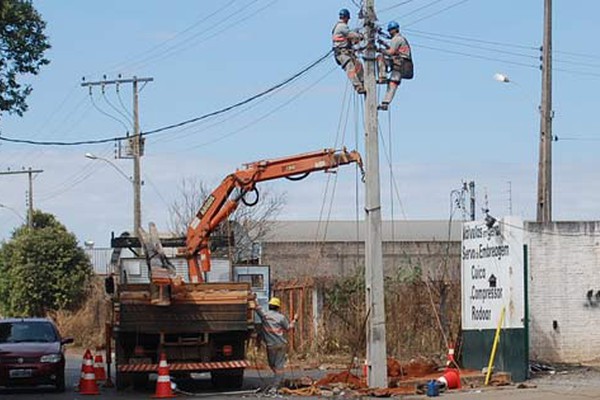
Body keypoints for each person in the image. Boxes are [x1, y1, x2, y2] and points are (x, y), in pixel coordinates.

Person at [254, 296, 298, 389]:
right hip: (281, 344)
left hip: (271, 346)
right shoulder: (281, 318)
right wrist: (295, 320)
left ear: (269, 306)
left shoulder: (265, 316)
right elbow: (289, 328)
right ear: (278, 307)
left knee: (274, 365)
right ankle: (279, 380)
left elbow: (257, 308)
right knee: (277, 366)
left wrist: (254, 299)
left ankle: (276, 386)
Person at [377, 21, 412, 111]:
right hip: (403, 65)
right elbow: (395, 50)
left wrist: (379, 49)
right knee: (393, 83)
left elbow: (391, 52)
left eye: (390, 31)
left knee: (380, 58)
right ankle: (385, 103)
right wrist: (384, 44)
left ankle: (382, 76)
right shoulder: (401, 39)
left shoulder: (396, 39)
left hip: (399, 62)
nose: (389, 32)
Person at [332, 8, 365, 94]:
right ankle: (358, 86)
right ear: (346, 18)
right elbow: (351, 35)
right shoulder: (342, 26)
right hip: (342, 53)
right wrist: (360, 36)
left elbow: (349, 40)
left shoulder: (339, 27)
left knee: (359, 65)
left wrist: (356, 40)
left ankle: (363, 81)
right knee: (350, 68)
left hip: (346, 52)